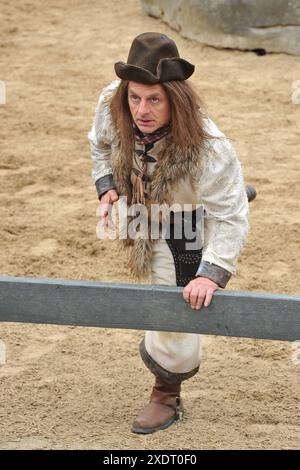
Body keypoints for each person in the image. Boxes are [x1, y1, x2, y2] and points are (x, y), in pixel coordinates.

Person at [88, 32, 251, 434]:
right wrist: (107, 183)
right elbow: (99, 145)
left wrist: (210, 273)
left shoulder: (211, 148)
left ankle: (166, 393)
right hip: (142, 199)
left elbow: (231, 219)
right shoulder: (115, 101)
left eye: (154, 99)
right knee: (130, 227)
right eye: (136, 97)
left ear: (174, 98)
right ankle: (223, 192)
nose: (141, 109)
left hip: (186, 218)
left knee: (178, 298)